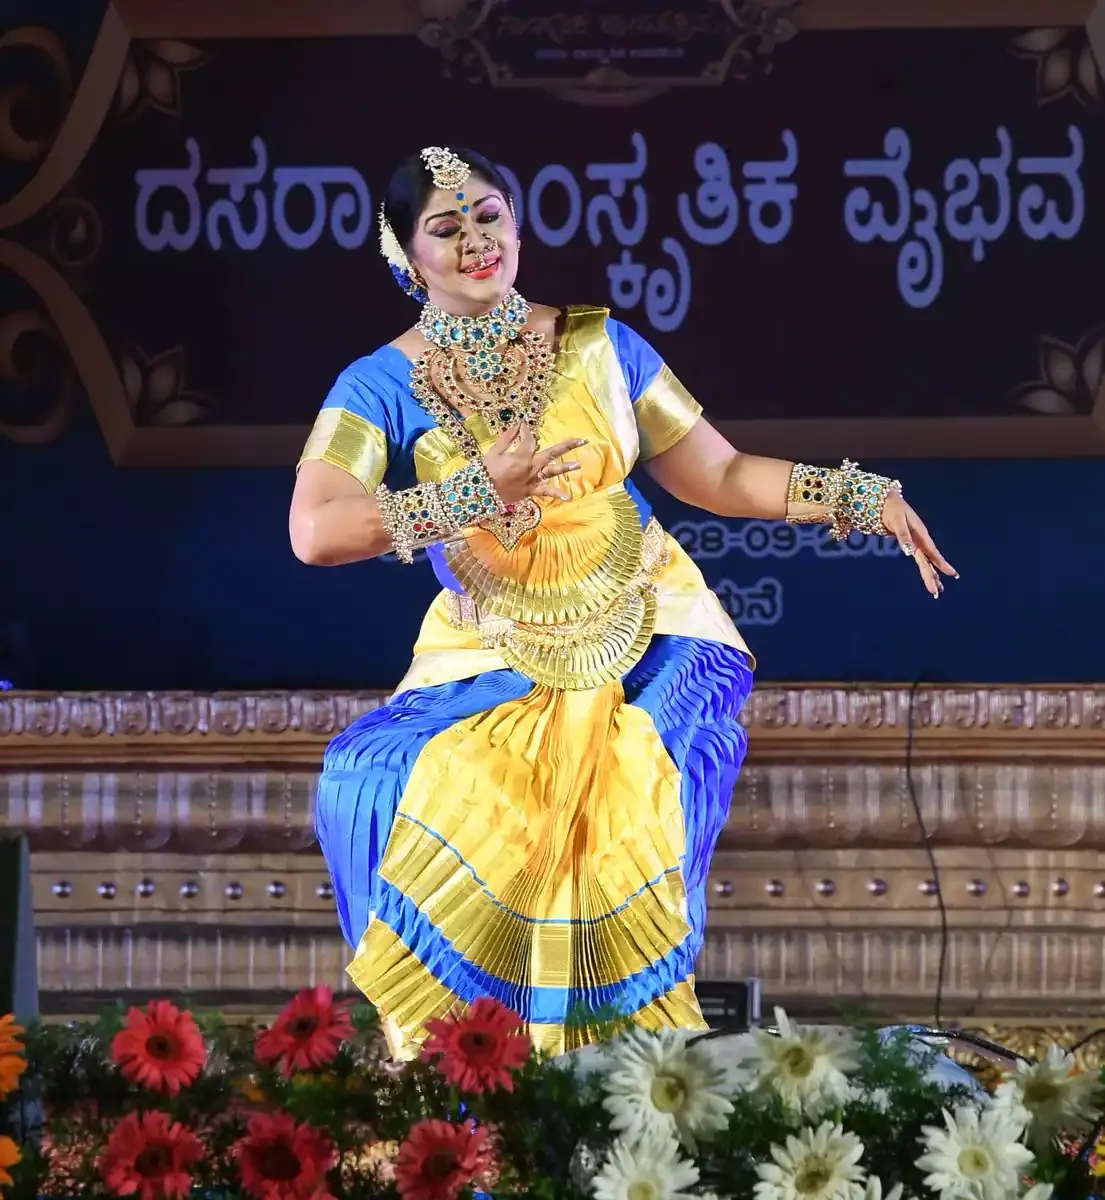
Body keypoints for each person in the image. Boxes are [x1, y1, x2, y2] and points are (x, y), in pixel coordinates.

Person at [289, 145, 955, 1060]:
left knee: (636, 769)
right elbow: (316, 529)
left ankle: (625, 1079)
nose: (475, 240)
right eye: (446, 228)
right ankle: (466, 1074)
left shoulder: (599, 345)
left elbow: (716, 472)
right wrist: (470, 493)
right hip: (492, 642)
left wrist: (854, 496)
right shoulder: (379, 384)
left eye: (489, 215)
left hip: (648, 623)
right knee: (370, 778)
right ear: (405, 256)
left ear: (517, 226)